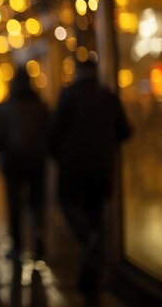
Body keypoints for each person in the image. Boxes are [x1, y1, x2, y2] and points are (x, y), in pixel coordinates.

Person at [49, 58, 131, 305]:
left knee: (69, 206)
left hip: (73, 169)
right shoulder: (108, 96)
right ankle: (91, 283)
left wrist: (58, 154)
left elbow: (54, 133)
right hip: (101, 170)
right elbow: (125, 130)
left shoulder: (68, 95)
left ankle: (89, 242)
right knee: (95, 216)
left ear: (76, 73)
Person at [0, 66, 50, 261]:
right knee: (36, 203)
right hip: (36, 161)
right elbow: (48, 132)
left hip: (13, 162)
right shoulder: (40, 104)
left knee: (14, 204)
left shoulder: (7, 106)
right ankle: (38, 240)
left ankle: (17, 245)